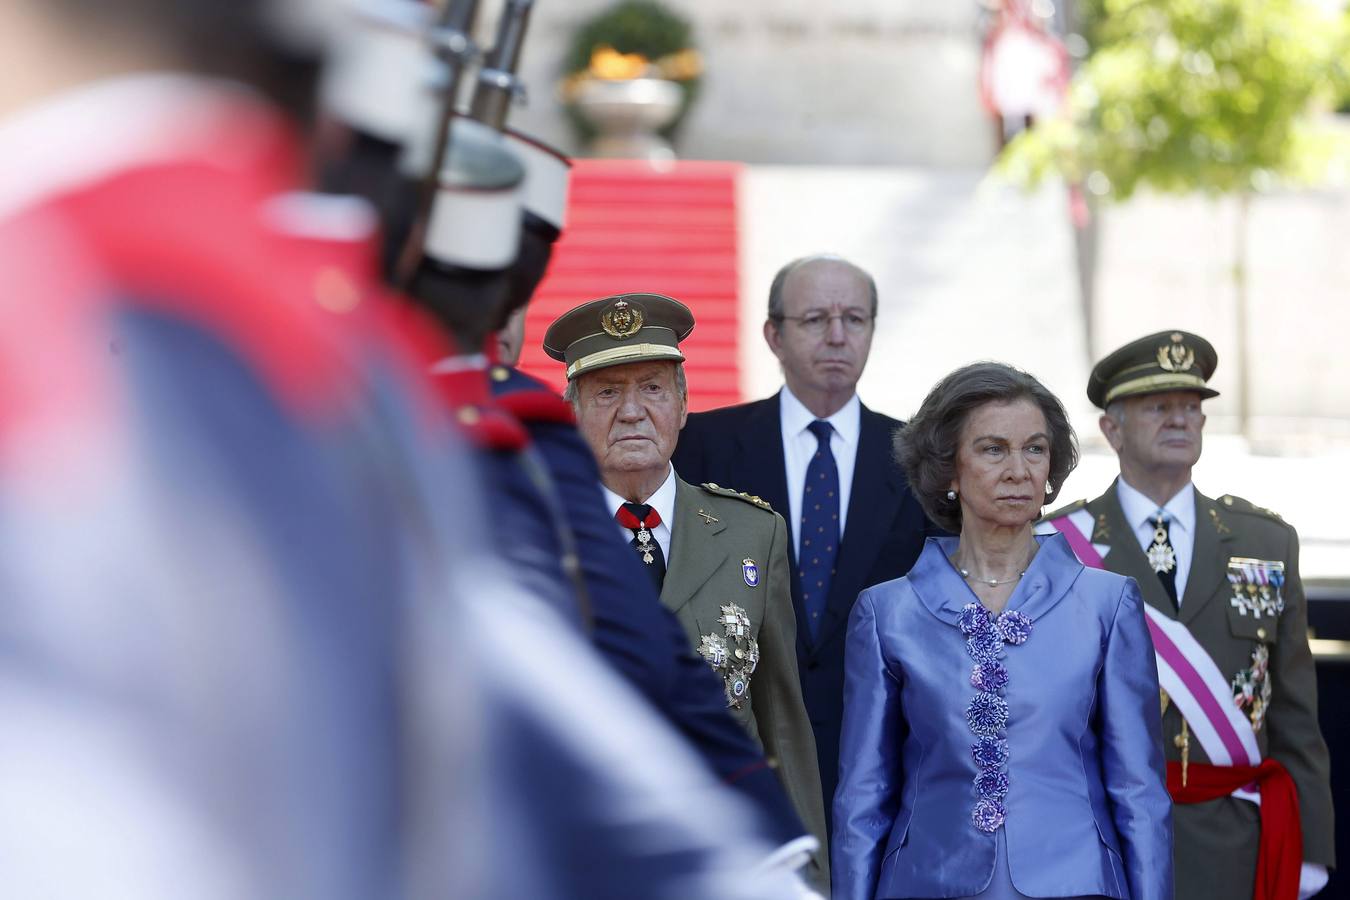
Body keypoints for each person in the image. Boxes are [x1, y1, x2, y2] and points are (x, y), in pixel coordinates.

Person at [833, 362, 1173, 900]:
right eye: (993, 449)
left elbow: (1140, 793)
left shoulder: (1107, 604)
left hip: (1076, 883)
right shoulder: (887, 612)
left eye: (1035, 449)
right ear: (948, 469)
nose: (1019, 470)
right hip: (929, 882)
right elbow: (862, 799)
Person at [546, 292, 830, 892]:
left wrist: (805, 876)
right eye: (605, 392)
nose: (631, 412)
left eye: (651, 388)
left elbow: (781, 723)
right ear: (571, 414)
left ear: (682, 404)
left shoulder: (756, 533)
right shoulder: (535, 538)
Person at [1044, 330, 1335, 900]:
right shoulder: (1057, 546)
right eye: (1158, 407)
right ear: (1112, 428)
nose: (1180, 420)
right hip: (1100, 840)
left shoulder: (1266, 541)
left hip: (1234, 842)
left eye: (1192, 407)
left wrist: (1312, 848)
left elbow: (1296, 715)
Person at [672, 254, 931, 817]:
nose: (838, 336)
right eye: (815, 319)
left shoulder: (921, 459)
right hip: (743, 764)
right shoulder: (700, 448)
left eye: (855, 319)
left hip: (883, 768)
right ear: (773, 335)